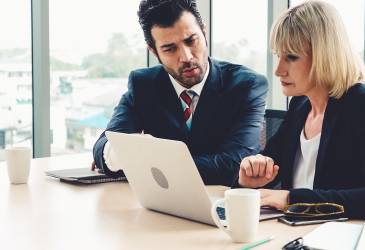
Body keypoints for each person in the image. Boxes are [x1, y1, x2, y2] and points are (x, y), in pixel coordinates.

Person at [235, 0, 365, 219]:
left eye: (292, 57)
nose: (278, 70)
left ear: (324, 55)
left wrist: (292, 200)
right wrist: (248, 178)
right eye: (279, 55)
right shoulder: (300, 106)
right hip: (294, 233)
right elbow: (265, 165)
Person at [92, 0, 268, 185]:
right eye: (170, 49)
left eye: (191, 40)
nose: (186, 57)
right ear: (154, 51)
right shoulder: (143, 85)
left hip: (221, 204)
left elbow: (232, 164)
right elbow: (104, 146)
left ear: (204, 32)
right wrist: (117, 154)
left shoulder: (246, 86)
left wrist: (143, 159)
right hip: (161, 203)